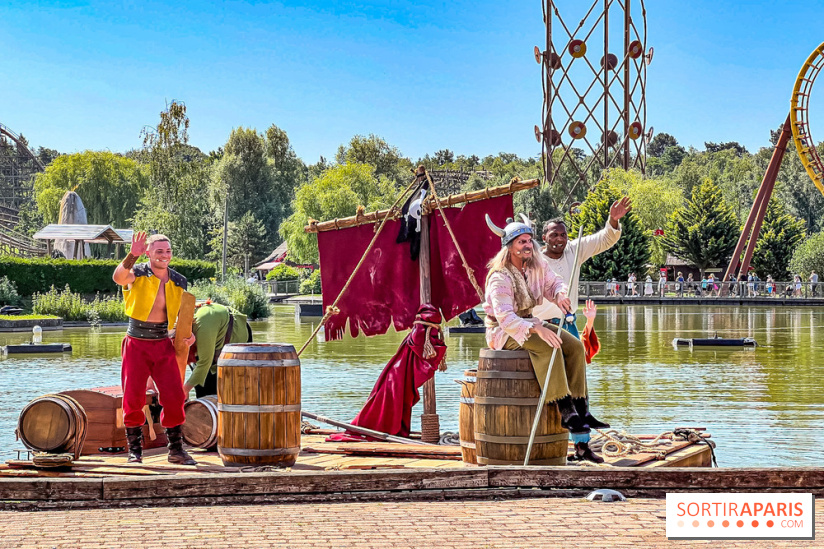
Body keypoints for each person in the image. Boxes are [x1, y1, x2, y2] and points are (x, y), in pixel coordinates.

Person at [484, 214, 608, 463]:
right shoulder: (500, 277)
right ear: (510, 246)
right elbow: (506, 319)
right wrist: (538, 329)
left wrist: (561, 295)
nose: (528, 245)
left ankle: (581, 409)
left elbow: (555, 283)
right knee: (548, 347)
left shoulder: (536, 265)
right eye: (521, 242)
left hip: (531, 322)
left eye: (529, 240)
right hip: (504, 331)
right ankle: (565, 410)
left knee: (574, 346)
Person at [112, 232, 197, 465]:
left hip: (163, 343)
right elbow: (118, 278)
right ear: (148, 252)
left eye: (168, 251)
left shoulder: (179, 280)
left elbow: (182, 316)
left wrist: (187, 336)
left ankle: (176, 450)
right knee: (132, 398)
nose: (165, 255)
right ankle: (135, 452)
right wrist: (132, 255)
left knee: (174, 396)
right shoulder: (137, 272)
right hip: (136, 344)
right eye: (159, 251)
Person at [533, 196, 632, 334]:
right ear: (544, 238)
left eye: (563, 234)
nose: (559, 239)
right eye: (554, 235)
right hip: (542, 328)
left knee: (578, 355)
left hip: (568, 325)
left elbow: (605, 239)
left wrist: (613, 220)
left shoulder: (574, 249)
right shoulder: (533, 260)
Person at [185, 301, 254, 398]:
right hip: (213, 332)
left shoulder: (202, 327)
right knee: (200, 386)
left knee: (228, 387)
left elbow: (204, 364)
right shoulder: (178, 325)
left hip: (235, 332)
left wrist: (184, 390)